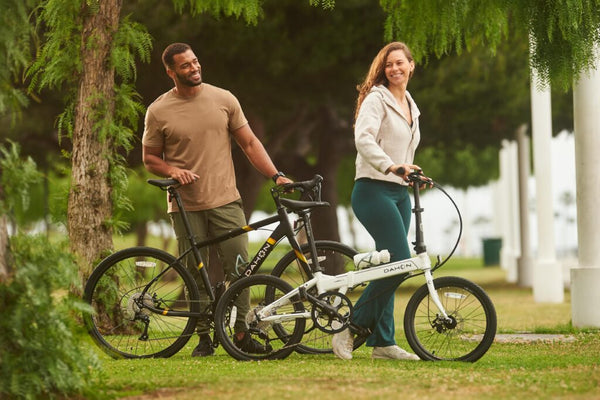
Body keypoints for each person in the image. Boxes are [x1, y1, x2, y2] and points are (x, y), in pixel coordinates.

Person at [142, 42, 292, 357]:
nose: (194, 68)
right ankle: (203, 337)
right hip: (185, 204)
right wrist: (173, 170)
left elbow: (250, 143)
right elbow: (150, 158)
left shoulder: (223, 99)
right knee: (196, 274)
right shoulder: (158, 111)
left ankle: (240, 334)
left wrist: (275, 175)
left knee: (240, 269)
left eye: (195, 61)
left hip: (225, 200)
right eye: (185, 65)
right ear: (171, 72)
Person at [332, 42, 427, 360]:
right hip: (373, 190)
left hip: (399, 193)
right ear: (383, 69)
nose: (395, 69)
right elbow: (363, 139)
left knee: (391, 266)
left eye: (401, 63)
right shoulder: (377, 99)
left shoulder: (411, 104)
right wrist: (390, 166)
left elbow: (405, 148)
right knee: (400, 262)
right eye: (389, 65)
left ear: (412, 66)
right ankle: (351, 325)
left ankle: (384, 343)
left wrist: (411, 172)